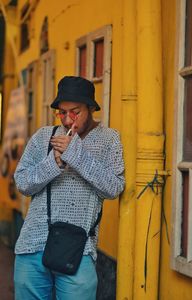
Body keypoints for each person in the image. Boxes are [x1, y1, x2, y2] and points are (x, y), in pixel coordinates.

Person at [14, 76, 125, 300]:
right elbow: (23, 183)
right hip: (32, 244)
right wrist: (53, 163)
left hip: (78, 248)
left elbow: (113, 188)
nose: (67, 120)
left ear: (91, 107)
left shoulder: (109, 139)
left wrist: (75, 154)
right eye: (62, 112)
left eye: (75, 112)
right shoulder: (44, 136)